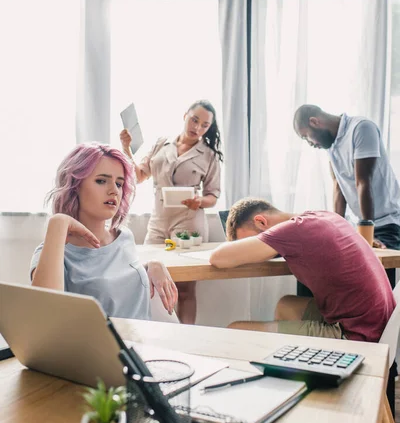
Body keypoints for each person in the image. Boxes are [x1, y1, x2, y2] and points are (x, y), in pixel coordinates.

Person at [209, 198, 395, 343]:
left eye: (248, 240)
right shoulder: (320, 216)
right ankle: (290, 369)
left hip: (357, 334)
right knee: (286, 305)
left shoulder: (292, 231)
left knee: (236, 331)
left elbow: (217, 258)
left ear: (261, 222)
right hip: (378, 324)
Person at [31, 143, 178, 321]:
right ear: (74, 185)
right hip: (98, 348)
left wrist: (152, 265)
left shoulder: (124, 237)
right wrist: (58, 223)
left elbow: (121, 281)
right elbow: (44, 315)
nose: (114, 191)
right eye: (101, 181)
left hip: (143, 343)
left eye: (119, 184)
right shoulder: (52, 254)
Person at [120, 100, 223, 324]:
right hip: (158, 222)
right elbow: (138, 175)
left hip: (189, 223)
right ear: (185, 115)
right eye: (194, 119)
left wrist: (199, 201)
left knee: (185, 289)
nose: (197, 127)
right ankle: (156, 335)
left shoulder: (209, 155)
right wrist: (126, 148)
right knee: (148, 281)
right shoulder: (161, 144)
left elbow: (213, 196)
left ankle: (185, 339)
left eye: (204, 125)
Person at [293, 104, 400, 290]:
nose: (310, 144)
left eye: (306, 136)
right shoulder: (332, 146)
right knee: (317, 262)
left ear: (314, 121)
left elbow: (363, 182)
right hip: (362, 227)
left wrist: (367, 235)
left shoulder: (361, 128)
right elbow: (338, 189)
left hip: (386, 224)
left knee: (376, 284)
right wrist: (338, 230)